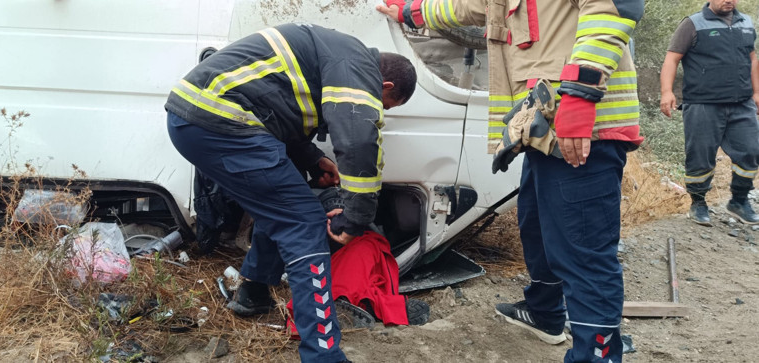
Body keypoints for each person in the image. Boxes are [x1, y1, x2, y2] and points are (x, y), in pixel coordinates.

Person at [378, 1, 643, 362]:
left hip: (584, 131)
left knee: (582, 252)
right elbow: (467, 7)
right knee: (537, 229)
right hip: (544, 127)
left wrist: (582, 94)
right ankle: (545, 313)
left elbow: (611, 9)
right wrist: (412, 12)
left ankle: (597, 355)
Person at [165, 23, 416, 363]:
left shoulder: (339, 54)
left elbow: (275, 108)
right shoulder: (357, 69)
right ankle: (323, 356)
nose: (379, 111)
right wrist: (356, 218)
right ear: (384, 86)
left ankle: (253, 292)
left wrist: (314, 159)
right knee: (305, 223)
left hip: (199, 117)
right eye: (384, 105)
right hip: (219, 120)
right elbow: (359, 141)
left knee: (283, 204)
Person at [659, 0, 759, 226]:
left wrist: (756, 92)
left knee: (751, 151)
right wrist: (666, 92)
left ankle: (739, 201)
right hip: (702, 103)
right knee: (700, 156)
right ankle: (698, 203)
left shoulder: (746, 22)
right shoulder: (693, 24)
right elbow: (672, 58)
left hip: (742, 103)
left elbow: (752, 59)